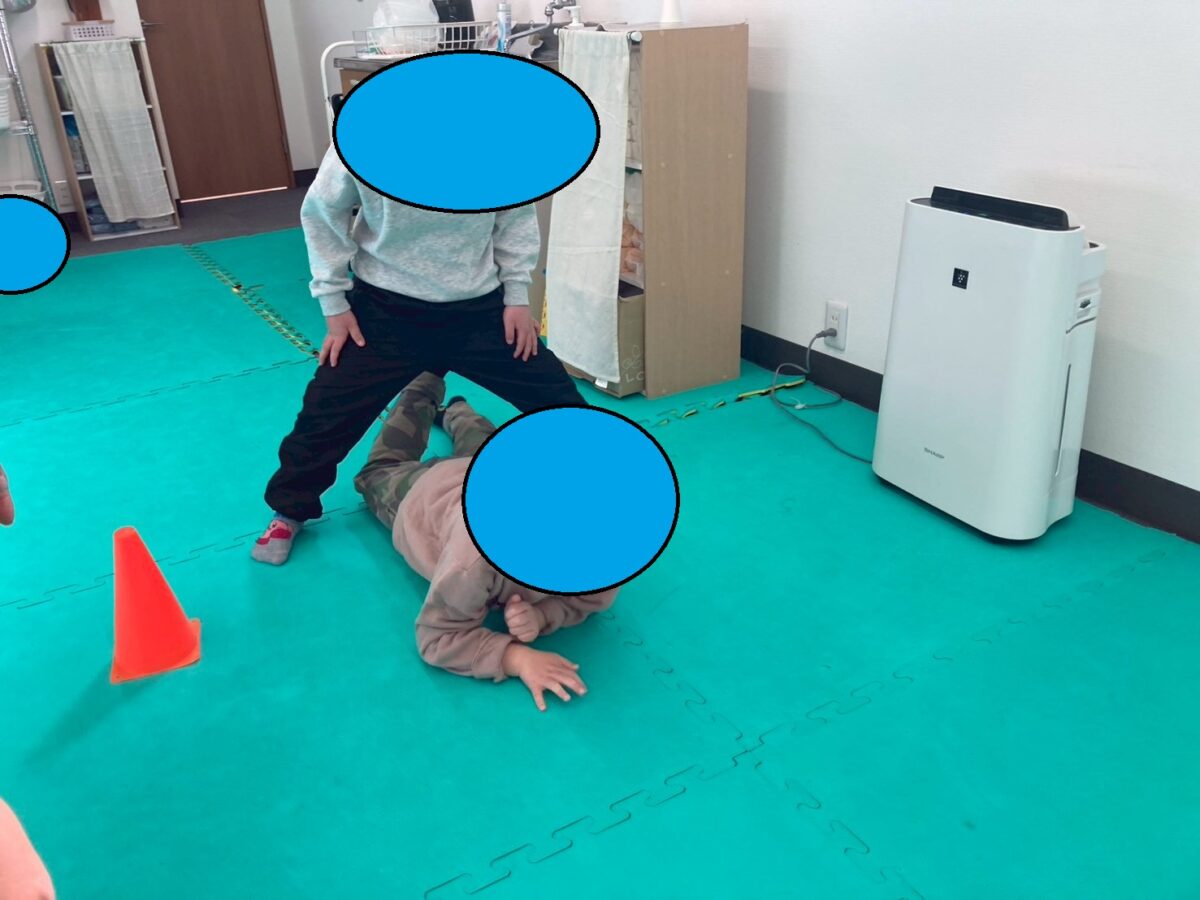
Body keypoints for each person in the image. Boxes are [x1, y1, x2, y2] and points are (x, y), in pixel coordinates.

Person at [254, 147, 586, 565]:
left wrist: (518, 297)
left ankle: (596, 480)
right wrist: (334, 304)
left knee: (561, 401)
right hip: (384, 313)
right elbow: (322, 211)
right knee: (325, 412)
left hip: (479, 311)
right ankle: (289, 509)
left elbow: (515, 217)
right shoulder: (363, 140)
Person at [354, 372, 615, 711]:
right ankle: (424, 384)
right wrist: (516, 658)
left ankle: (457, 410)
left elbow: (591, 599)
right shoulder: (473, 562)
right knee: (378, 471)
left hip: (477, 471)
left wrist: (542, 616)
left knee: (482, 446)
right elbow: (436, 638)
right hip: (422, 495)